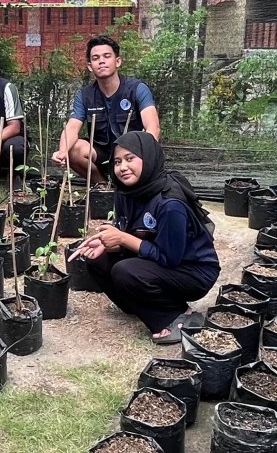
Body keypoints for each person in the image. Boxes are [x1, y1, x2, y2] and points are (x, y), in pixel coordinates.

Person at [71, 130, 218, 344]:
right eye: (117, 161)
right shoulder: (126, 193)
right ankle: (140, 304)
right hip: (159, 259)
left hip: (192, 270)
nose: (123, 167)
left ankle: (176, 316)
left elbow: (170, 258)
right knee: (97, 259)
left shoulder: (170, 204)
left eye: (130, 159)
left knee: (126, 271)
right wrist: (109, 241)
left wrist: (122, 240)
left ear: (147, 158)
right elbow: (132, 232)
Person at [51, 35, 160, 186]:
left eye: (106, 56)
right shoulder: (85, 96)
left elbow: (153, 127)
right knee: (74, 150)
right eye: (95, 58)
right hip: (102, 153)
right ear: (90, 66)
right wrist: (62, 151)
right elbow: (71, 127)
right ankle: (102, 187)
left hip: (133, 153)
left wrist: (144, 154)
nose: (101, 61)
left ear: (118, 61)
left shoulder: (137, 89)